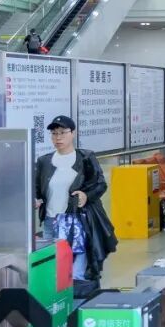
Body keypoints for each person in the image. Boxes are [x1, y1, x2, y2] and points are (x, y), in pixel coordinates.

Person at [34, 116, 108, 281]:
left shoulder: (85, 158)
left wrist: (86, 196)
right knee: (53, 273)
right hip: (50, 221)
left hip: (75, 222)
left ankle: (76, 294)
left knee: (75, 274)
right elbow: (37, 190)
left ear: (72, 133)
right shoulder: (44, 161)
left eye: (62, 133)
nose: (58, 138)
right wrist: (36, 199)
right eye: (54, 134)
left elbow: (100, 184)